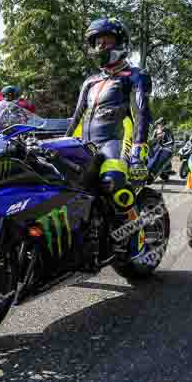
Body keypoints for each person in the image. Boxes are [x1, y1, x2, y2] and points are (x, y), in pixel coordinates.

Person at [66, 17, 153, 261]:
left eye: (106, 41)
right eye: (97, 42)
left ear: (121, 43)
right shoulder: (90, 81)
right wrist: (61, 143)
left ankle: (137, 238)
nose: (101, 47)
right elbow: (76, 117)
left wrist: (139, 152)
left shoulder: (135, 76)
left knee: (114, 184)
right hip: (84, 145)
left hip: (115, 142)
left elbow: (141, 114)